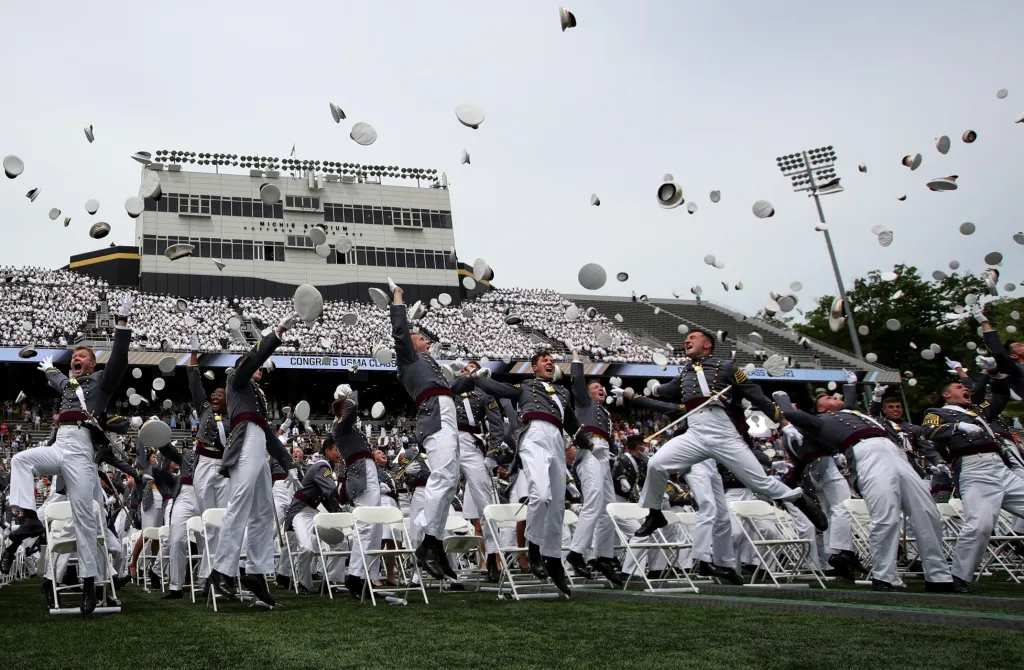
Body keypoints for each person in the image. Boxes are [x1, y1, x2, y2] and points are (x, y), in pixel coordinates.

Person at [2, 294, 133, 614]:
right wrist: (48, 369)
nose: (76, 357)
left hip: (82, 451)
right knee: (20, 459)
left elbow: (117, 361)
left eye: (83, 355)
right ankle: (31, 520)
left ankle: (90, 583)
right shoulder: (68, 384)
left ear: (92, 363)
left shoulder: (102, 381)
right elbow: (60, 379)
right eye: (74, 355)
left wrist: (121, 325)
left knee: (86, 521)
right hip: (60, 444)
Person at [630, 329, 826, 539]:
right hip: (695, 430)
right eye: (687, 338)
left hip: (721, 429)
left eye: (693, 337)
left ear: (707, 345)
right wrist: (651, 390)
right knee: (656, 464)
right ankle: (655, 513)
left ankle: (796, 499)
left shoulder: (726, 367)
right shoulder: (685, 372)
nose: (687, 340)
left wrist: (783, 423)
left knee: (759, 482)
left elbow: (756, 395)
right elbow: (668, 391)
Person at [773, 385, 955, 592]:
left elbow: (850, 398)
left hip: (896, 452)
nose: (834, 397)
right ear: (822, 409)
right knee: (885, 515)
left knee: (927, 513)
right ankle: (884, 576)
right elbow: (791, 414)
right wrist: (782, 397)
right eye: (828, 398)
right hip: (865, 453)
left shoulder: (854, 411)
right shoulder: (819, 421)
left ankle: (938, 576)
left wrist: (852, 383)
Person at [473, 350, 592, 596]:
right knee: (540, 494)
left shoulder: (562, 392)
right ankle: (534, 546)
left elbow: (570, 422)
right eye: (544, 360)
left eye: (552, 360)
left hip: (557, 439)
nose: (550, 362)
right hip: (534, 435)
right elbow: (501, 389)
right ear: (534, 367)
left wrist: (590, 444)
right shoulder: (526, 386)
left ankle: (553, 559)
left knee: (558, 504)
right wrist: (479, 377)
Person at [208, 316, 299, 608]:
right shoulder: (237, 377)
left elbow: (269, 433)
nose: (260, 368)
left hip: (258, 441)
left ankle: (257, 570)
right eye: (255, 364)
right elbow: (253, 358)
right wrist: (278, 332)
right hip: (245, 440)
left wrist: (290, 464)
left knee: (263, 511)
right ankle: (222, 569)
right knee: (241, 500)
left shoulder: (257, 395)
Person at [922, 376, 1023, 593]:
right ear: (946, 394)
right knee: (980, 525)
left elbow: (1000, 396)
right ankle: (959, 575)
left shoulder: (978, 411)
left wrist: (995, 374)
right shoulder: (937, 413)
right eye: (959, 387)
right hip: (974, 468)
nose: (965, 388)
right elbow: (928, 431)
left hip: (1001, 467)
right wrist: (957, 426)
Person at [389, 285, 462, 580]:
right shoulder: (408, 358)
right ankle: (427, 544)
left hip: (445, 409)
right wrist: (397, 299)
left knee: (451, 481)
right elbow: (400, 332)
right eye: (422, 338)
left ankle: (434, 542)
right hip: (435, 411)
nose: (427, 341)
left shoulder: (428, 361)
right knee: (443, 477)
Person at [565, 351, 620, 585]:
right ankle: (576, 552)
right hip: (590, 449)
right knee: (594, 500)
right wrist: (576, 360)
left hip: (605, 453)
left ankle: (604, 556)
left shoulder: (606, 413)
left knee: (609, 508)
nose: (601, 389)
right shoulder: (583, 403)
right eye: (596, 386)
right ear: (587, 393)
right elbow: (577, 381)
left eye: (602, 387)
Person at [453, 360, 505, 583]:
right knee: (435, 497)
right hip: (446, 441)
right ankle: (432, 555)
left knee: (485, 504)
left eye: (472, 369)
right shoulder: (450, 387)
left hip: (471, 444)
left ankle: (493, 557)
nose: (467, 371)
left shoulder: (483, 395)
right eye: (465, 369)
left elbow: (496, 425)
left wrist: (492, 453)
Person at [185, 333, 229, 591]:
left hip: (224, 468)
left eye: (221, 394)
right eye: (213, 393)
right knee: (206, 521)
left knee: (223, 520)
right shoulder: (203, 409)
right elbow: (194, 381)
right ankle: (206, 574)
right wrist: (193, 356)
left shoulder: (233, 416)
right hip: (204, 463)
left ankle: (220, 574)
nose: (215, 396)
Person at [331, 387, 383, 597]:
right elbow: (352, 410)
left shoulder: (349, 428)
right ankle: (354, 576)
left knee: (376, 528)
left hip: (367, 470)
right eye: (346, 408)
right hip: (361, 473)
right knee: (366, 525)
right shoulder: (339, 426)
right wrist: (352, 393)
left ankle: (366, 577)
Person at [283, 435, 342, 596]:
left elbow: (328, 497)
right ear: (328, 451)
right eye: (337, 450)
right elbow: (330, 490)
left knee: (340, 543)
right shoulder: (322, 467)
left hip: (313, 513)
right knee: (307, 548)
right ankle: (304, 584)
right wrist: (343, 500)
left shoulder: (326, 467)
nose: (340, 453)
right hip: (300, 512)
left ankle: (330, 580)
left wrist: (339, 513)